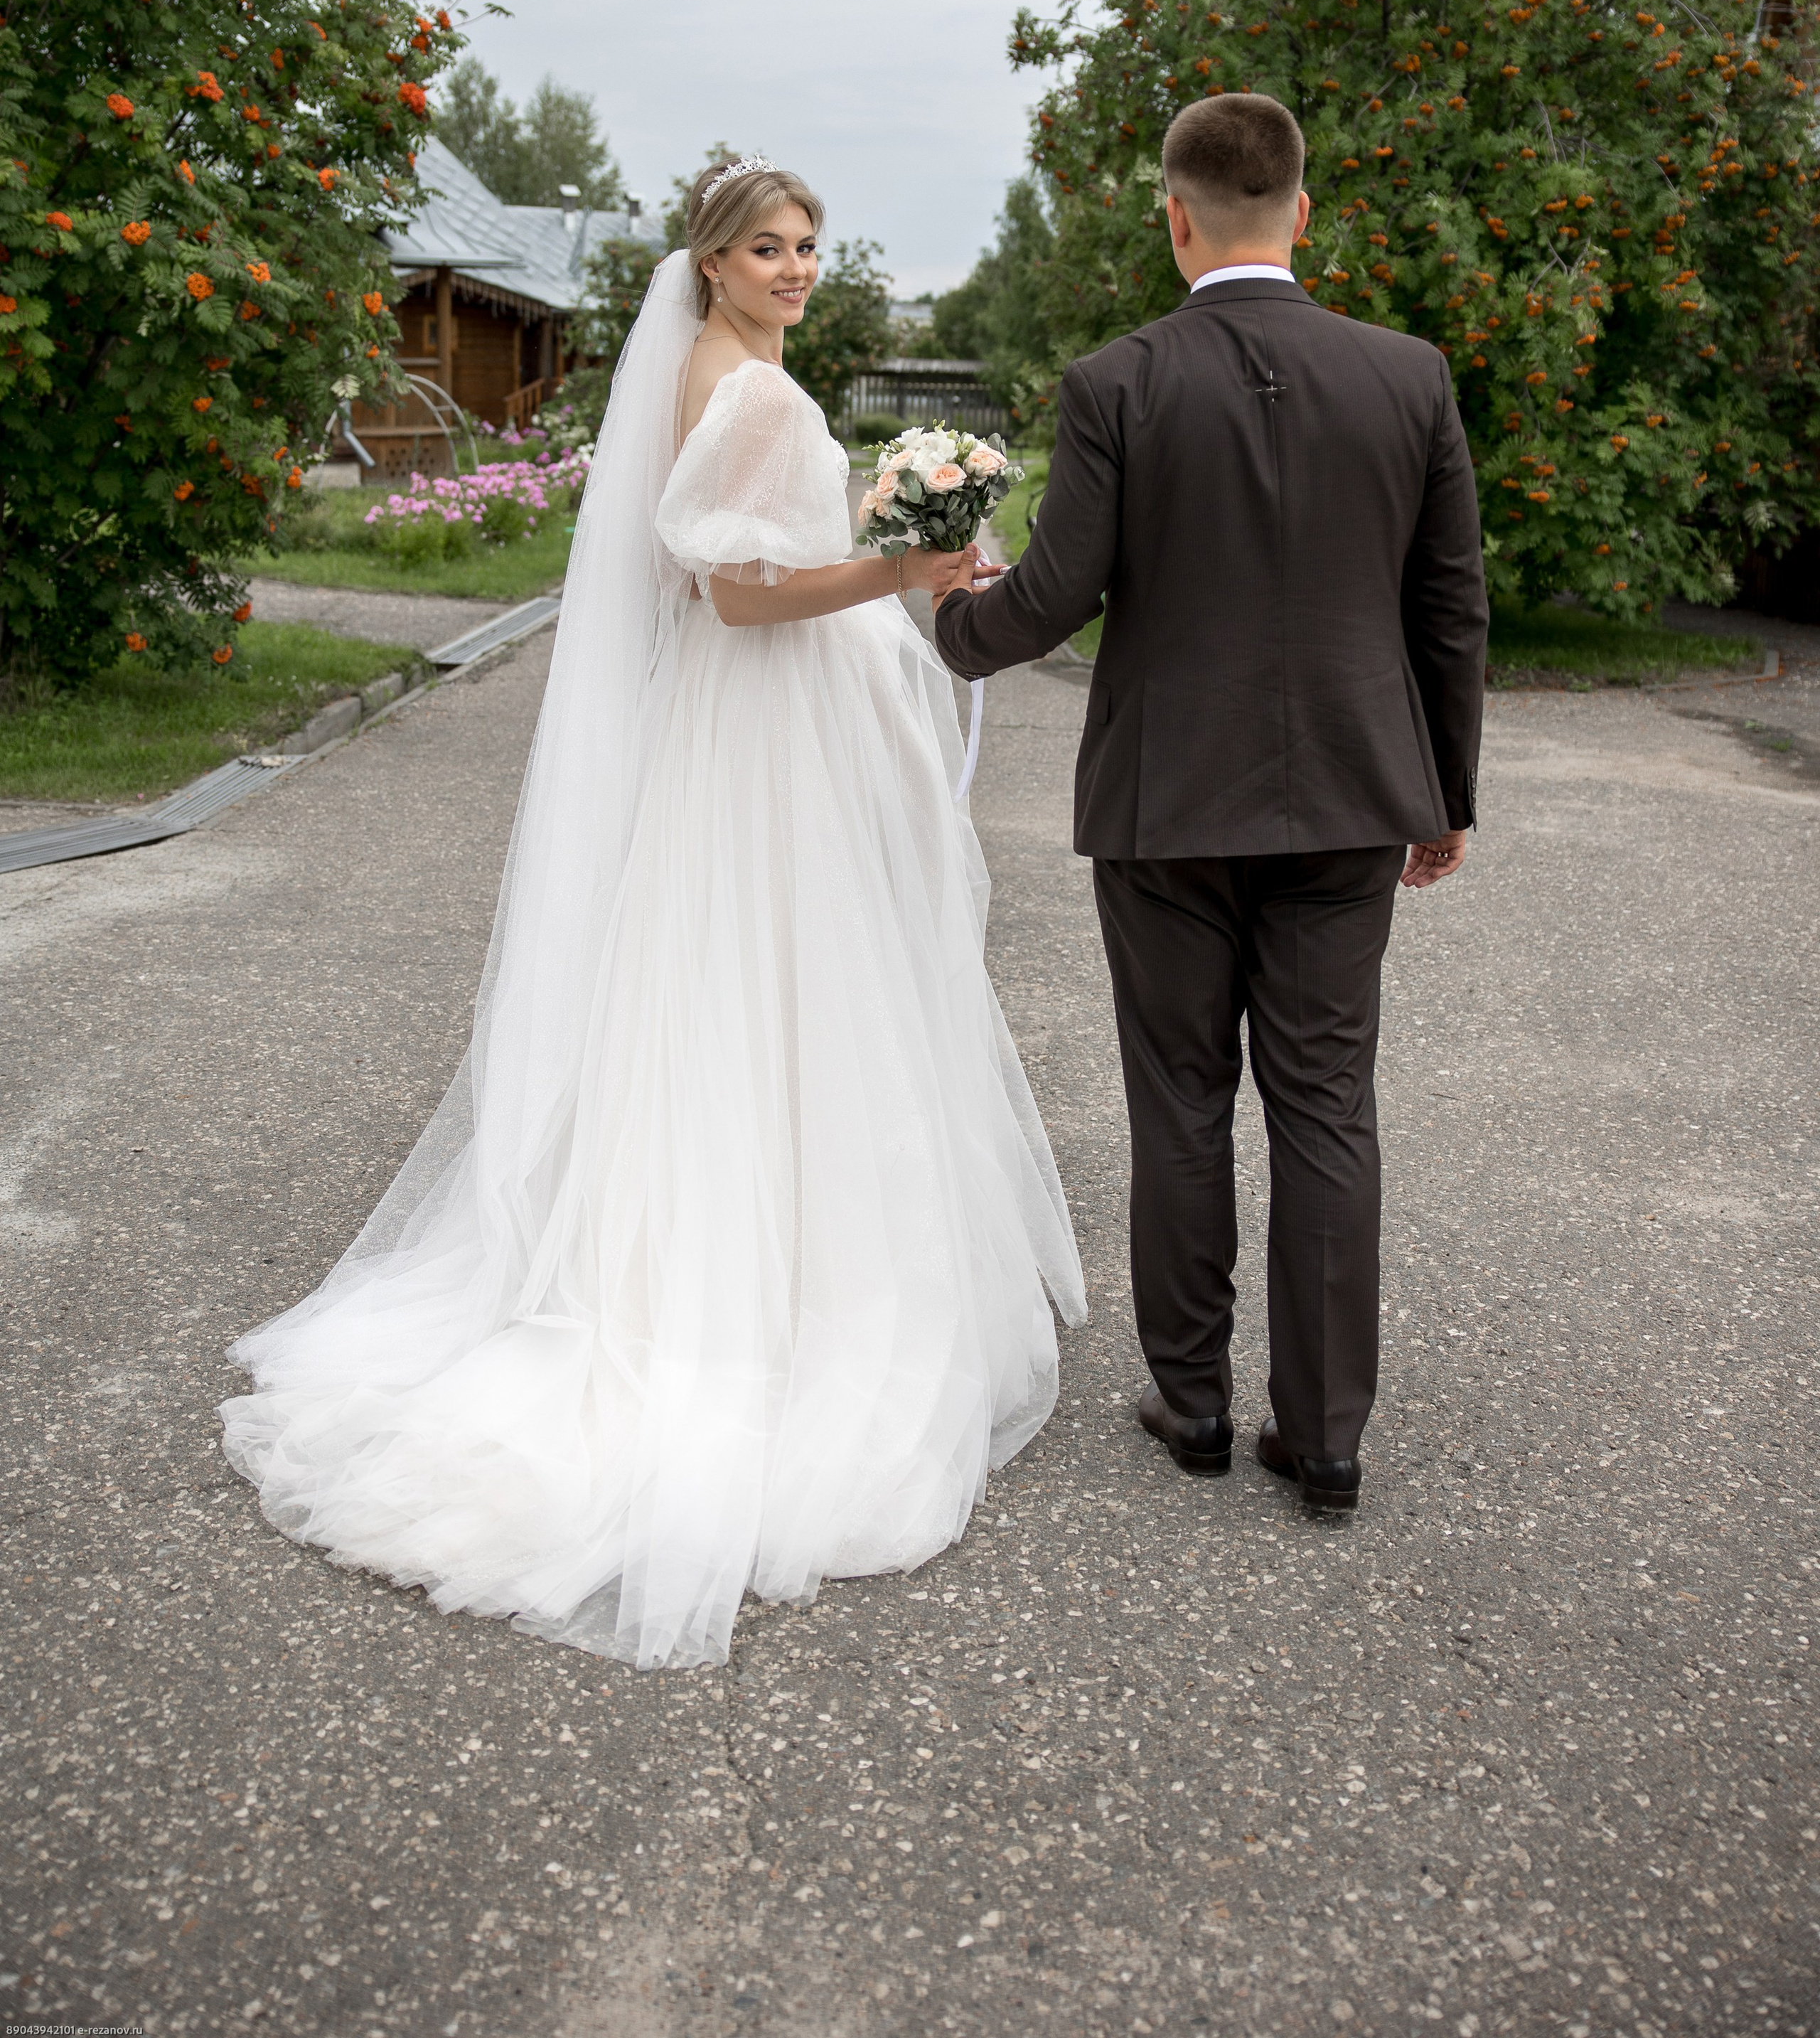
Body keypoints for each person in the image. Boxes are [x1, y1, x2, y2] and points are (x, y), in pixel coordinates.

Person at [222, 156, 1084, 1668]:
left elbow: (747, 573)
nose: (796, 267)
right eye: (768, 247)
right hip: (761, 727)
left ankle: (720, 1256)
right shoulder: (742, 391)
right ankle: (770, 1301)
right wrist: (895, 559)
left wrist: (896, 551)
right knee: (786, 983)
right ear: (711, 257)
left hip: (732, 731)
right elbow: (737, 600)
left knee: (727, 991)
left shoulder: (723, 371)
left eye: (810, 244)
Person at [933, 95, 1487, 1513]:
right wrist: (1443, 795)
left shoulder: (1114, 380)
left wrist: (948, 623)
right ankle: (1323, 1437)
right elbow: (1448, 610)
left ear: (1173, 217)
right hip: (1357, 800)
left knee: (1177, 1102)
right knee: (1323, 1107)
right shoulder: (1408, 375)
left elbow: (1054, 595)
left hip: (1164, 804)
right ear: (1301, 211)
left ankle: (1188, 1405)